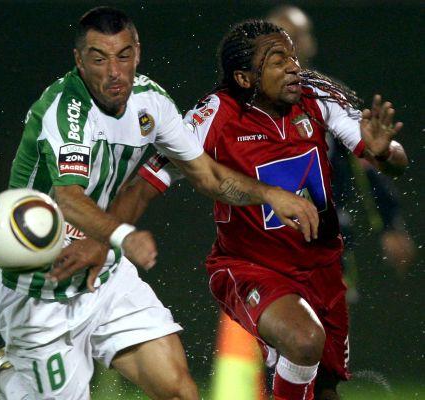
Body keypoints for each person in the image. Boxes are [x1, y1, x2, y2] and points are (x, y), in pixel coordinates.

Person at [0, 7, 319, 400]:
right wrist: (122, 236)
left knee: (179, 391)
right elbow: (68, 198)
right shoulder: (65, 111)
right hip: (41, 286)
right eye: (99, 59)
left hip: (105, 276)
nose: (114, 72)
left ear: (138, 52)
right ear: (79, 60)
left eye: (123, 56)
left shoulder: (151, 103)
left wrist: (269, 194)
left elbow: (207, 175)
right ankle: (12, 382)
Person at [116, 20, 408, 400]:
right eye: (277, 60)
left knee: (324, 390)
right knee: (304, 339)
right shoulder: (214, 116)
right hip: (251, 267)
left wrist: (385, 151)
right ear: (244, 77)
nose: (293, 67)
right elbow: (148, 181)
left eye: (292, 56)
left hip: (322, 267)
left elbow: (392, 161)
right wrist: (105, 234)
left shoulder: (318, 97)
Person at [209, 6, 417, 400]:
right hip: (261, 258)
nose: (290, 58)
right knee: (295, 343)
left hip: (323, 251)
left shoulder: (323, 97)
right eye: (276, 50)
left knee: (322, 378)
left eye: (293, 43)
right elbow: (185, 162)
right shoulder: (223, 111)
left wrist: (389, 204)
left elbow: (377, 164)